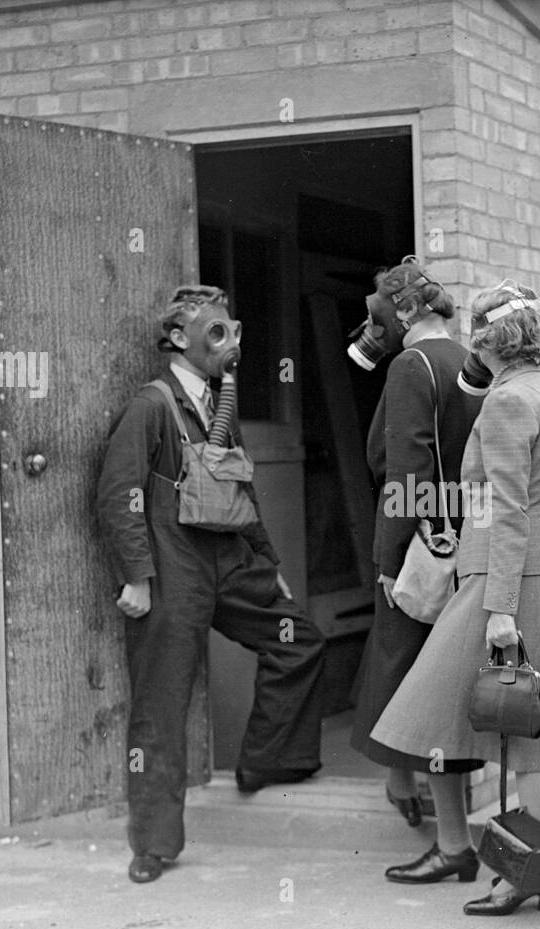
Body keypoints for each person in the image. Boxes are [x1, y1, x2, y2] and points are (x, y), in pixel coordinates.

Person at [369, 280, 540, 914]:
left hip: (505, 584)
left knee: (511, 734)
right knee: (526, 735)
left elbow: (508, 511)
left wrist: (499, 608)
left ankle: (519, 873)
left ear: (487, 339)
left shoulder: (506, 402)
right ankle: (512, 866)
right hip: (536, 577)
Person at [96, 285, 326, 884]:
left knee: (298, 638)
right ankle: (152, 845)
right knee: (162, 703)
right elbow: (118, 494)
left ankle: (267, 762)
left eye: (231, 329)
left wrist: (267, 561)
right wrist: (137, 578)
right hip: (172, 567)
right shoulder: (151, 407)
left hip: (227, 554)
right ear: (178, 339)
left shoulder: (218, 402)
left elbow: (240, 487)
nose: (227, 342)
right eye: (213, 330)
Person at [349, 260, 482, 825]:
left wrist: (389, 558)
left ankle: (413, 797)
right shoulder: (473, 364)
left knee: (405, 673)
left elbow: (408, 476)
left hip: (423, 547)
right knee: (435, 673)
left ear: (408, 311)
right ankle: (417, 792)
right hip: (465, 539)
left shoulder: (411, 364)